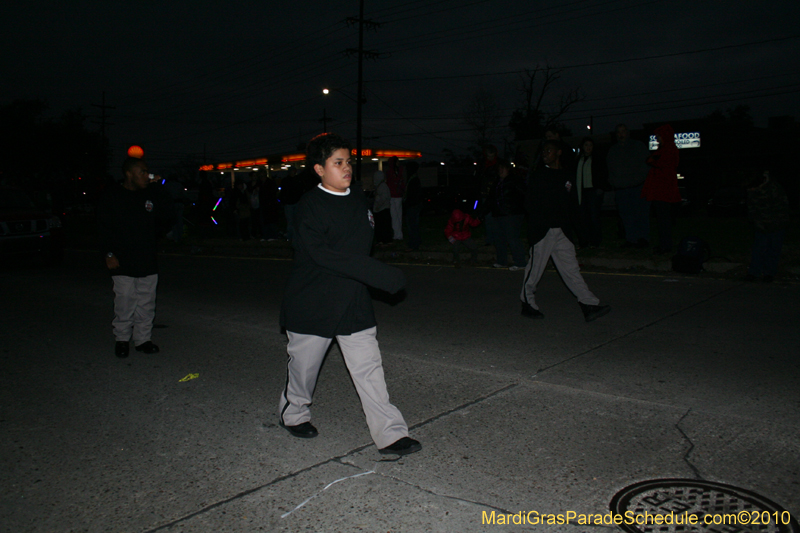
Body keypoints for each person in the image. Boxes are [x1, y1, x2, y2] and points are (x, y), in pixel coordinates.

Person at [278, 132, 420, 456]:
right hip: (314, 300)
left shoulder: (357, 198)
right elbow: (324, 256)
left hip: (353, 300)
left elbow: (360, 246)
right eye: (337, 162)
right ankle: (293, 413)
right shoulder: (309, 208)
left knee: (369, 368)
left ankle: (390, 433)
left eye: (348, 162)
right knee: (303, 370)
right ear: (318, 169)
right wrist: (378, 274)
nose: (347, 168)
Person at [519, 140, 610, 322]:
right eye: (543, 150)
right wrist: (537, 227)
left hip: (562, 232)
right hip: (543, 231)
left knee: (571, 270)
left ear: (559, 153)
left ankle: (588, 305)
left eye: (549, 150)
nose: (545, 153)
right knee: (535, 270)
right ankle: (527, 304)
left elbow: (573, 206)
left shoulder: (567, 176)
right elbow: (529, 203)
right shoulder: (539, 175)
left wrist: (581, 233)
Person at [97, 157, 175, 358]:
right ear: (129, 174)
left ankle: (143, 340)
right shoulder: (113, 195)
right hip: (122, 260)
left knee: (146, 303)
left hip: (147, 259)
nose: (146, 176)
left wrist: (158, 189)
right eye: (142, 172)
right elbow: (103, 228)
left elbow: (167, 218)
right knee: (125, 302)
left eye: (148, 172)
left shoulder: (150, 194)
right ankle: (122, 339)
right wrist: (109, 253)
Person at [607, 124, 651, 248]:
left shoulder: (638, 146)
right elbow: (609, 168)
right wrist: (614, 182)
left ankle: (643, 239)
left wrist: (638, 180)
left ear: (628, 132)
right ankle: (631, 239)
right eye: (619, 132)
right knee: (626, 215)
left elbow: (646, 165)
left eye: (623, 131)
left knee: (641, 214)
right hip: (621, 189)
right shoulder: (613, 150)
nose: (621, 134)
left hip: (638, 187)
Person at [744, 170, 790, 282]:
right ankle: (754, 272)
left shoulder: (774, 189)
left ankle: (769, 273)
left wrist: (774, 223)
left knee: (773, 249)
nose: (751, 190)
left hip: (776, 225)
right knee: (758, 249)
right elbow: (751, 208)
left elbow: (782, 208)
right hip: (760, 225)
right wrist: (756, 222)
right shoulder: (751, 190)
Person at [641, 124, 680, 254]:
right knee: (661, 219)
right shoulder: (664, 149)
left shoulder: (669, 149)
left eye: (659, 136)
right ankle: (664, 245)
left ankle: (666, 246)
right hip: (660, 190)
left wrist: (654, 161)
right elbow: (651, 160)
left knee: (664, 219)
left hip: (664, 190)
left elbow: (657, 162)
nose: (658, 139)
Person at [487, 159, 527, 270]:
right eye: (499, 168)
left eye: (502, 168)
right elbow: (491, 199)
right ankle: (502, 261)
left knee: (512, 238)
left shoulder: (515, 180)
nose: (500, 170)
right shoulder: (496, 182)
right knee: (499, 239)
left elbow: (524, 194)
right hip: (497, 214)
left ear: (508, 169)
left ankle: (520, 262)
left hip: (511, 214)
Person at [575, 138, 610, 247]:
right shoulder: (578, 160)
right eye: (586, 145)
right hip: (581, 192)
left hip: (593, 191)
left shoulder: (597, 159)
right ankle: (584, 240)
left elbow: (603, 174)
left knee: (594, 217)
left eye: (590, 145)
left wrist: (600, 188)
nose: (588, 147)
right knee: (582, 217)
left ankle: (595, 241)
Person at [403, 161, 423, 252]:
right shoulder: (413, 178)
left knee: (412, 226)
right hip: (413, 206)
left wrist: (407, 204)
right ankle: (415, 243)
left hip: (412, 206)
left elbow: (412, 195)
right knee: (413, 225)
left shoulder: (413, 180)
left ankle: (413, 244)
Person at [385, 156, 405, 241]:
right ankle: (397, 234)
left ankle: (398, 235)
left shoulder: (397, 171)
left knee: (396, 216)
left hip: (396, 196)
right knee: (395, 216)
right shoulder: (391, 172)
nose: (398, 163)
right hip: (394, 196)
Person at [372, 170, 393, 246]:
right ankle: (382, 240)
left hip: (382, 209)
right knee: (381, 226)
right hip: (381, 209)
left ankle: (386, 240)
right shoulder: (380, 186)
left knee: (384, 226)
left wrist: (378, 205)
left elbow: (384, 198)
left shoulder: (382, 186)